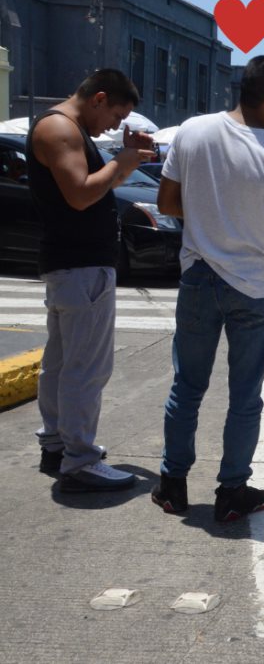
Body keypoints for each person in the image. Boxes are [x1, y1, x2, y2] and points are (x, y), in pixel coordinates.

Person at [151, 55, 264, 521]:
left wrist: (210, 219)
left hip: (198, 275)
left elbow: (166, 202)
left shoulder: (192, 131)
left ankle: (171, 484)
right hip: (253, 287)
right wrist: (256, 224)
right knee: (245, 393)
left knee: (188, 384)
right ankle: (232, 490)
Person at [28, 69, 156, 491]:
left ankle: (57, 445)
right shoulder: (62, 130)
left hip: (71, 266)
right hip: (82, 267)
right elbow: (81, 194)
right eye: (116, 114)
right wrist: (121, 161)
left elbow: (88, 191)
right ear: (99, 98)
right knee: (85, 368)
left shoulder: (63, 128)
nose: (115, 125)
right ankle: (79, 459)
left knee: (63, 363)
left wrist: (123, 161)